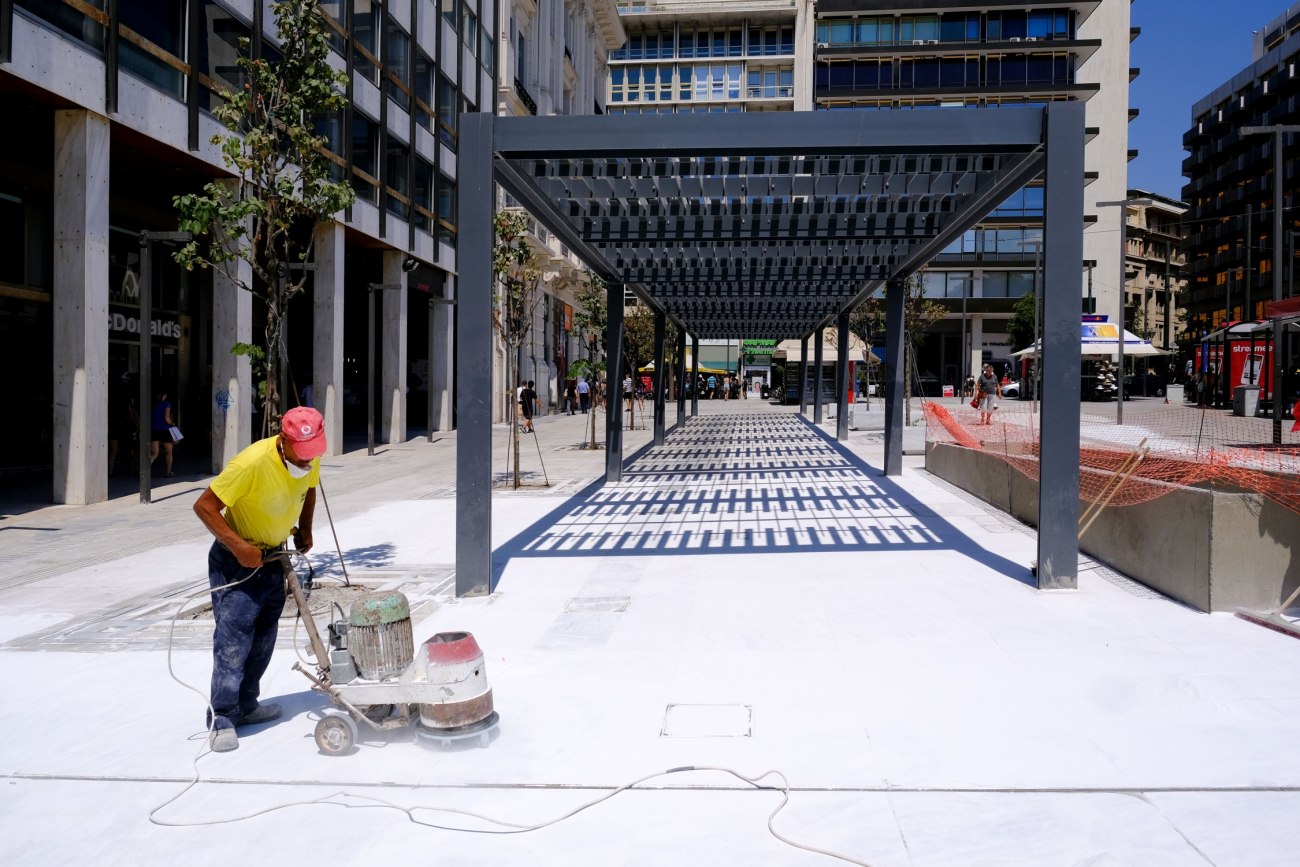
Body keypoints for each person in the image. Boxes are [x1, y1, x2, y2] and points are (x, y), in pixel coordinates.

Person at [192, 406, 325, 753]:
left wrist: (305, 527)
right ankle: (222, 717)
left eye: (313, 454)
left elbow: (310, 489)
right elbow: (204, 506)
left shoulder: (308, 459)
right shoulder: (251, 463)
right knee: (233, 642)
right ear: (283, 440)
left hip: (273, 559)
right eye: (302, 454)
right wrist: (238, 547)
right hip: (238, 562)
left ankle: (247, 705)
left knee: (264, 638)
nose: (308, 462)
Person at [108, 373, 137, 477]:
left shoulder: (111, 399)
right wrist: (135, 424)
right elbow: (131, 413)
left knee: (113, 450)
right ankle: (131, 469)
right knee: (129, 448)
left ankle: (110, 471)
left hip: (113, 425)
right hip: (125, 426)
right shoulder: (126, 399)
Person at [149, 390, 176, 477]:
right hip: (165, 430)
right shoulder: (166, 404)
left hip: (154, 429)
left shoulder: (153, 404)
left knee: (154, 454)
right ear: (165, 395)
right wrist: (172, 424)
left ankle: (144, 471)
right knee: (169, 452)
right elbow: (167, 418)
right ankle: (168, 472)